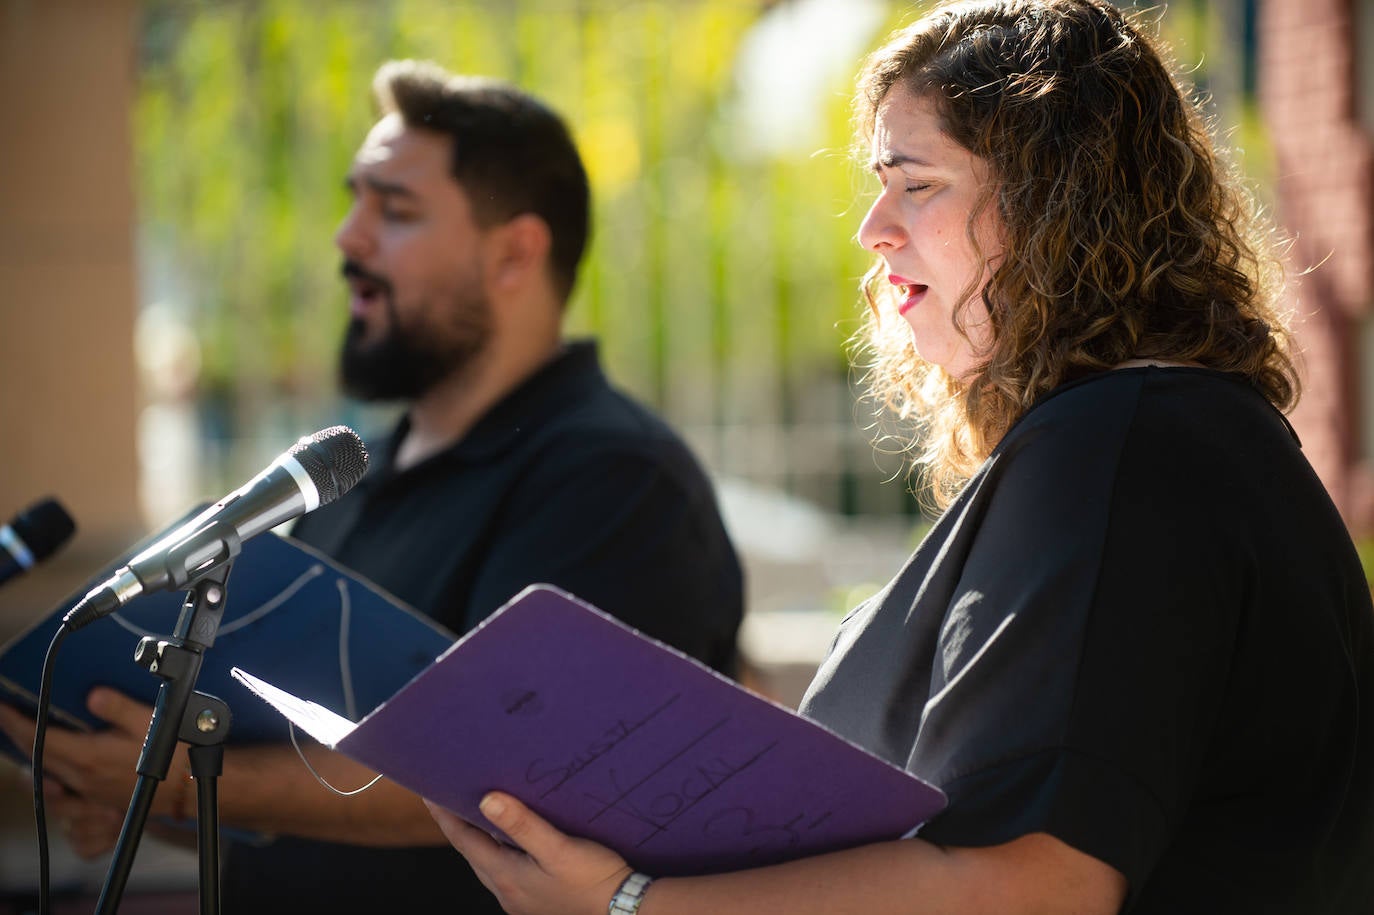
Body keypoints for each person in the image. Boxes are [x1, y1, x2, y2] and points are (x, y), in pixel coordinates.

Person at [421, 2, 1374, 913]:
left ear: (1061, 209)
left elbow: (1035, 886)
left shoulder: (1127, 441)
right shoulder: (1141, 434)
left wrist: (631, 903)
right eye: (878, 185)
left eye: (918, 185)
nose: (873, 230)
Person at [0, 61, 744, 914]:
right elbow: (285, 774)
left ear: (515, 251)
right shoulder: (341, 474)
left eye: (394, 210)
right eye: (356, 202)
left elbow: (523, 781)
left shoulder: (615, 481)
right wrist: (131, 795)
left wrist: (179, 783)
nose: (348, 239)